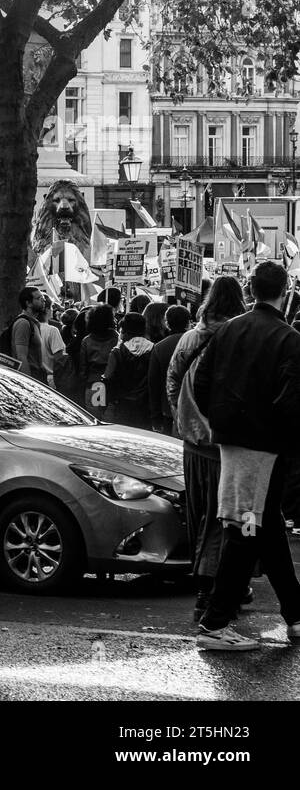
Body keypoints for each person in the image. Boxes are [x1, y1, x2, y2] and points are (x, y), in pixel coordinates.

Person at [191, 262, 300, 651]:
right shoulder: (288, 338)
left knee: (263, 524)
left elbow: (199, 383)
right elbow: (291, 401)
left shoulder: (229, 330)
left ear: (252, 289)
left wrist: (223, 419)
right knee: (246, 527)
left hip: (233, 439)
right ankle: (215, 623)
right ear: (284, 292)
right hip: (264, 444)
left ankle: (296, 613)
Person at [166, 276, 246, 625]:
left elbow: (172, 382)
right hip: (228, 444)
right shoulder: (240, 338)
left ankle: (212, 587)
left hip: (193, 442)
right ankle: (213, 591)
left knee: (201, 515)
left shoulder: (190, 338)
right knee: (227, 519)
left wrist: (185, 416)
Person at [103, 312, 153, 428]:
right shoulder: (154, 349)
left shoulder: (117, 352)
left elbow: (108, 377)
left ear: (124, 330)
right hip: (146, 405)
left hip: (122, 404)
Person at [147, 304, 191, 435]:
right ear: (188, 322)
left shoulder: (159, 347)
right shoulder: (195, 343)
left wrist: (155, 416)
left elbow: (153, 384)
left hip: (168, 410)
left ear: (167, 323)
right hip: (192, 409)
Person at [10, 287, 47, 381]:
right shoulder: (23, 323)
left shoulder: (34, 323)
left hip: (38, 377)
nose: (43, 301)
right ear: (28, 303)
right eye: (39, 298)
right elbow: (21, 356)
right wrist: (30, 383)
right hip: (30, 380)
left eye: (43, 298)